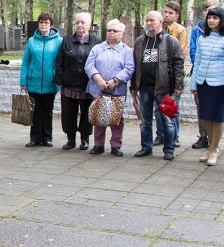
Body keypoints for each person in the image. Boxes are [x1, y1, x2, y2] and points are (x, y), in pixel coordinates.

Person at [130, 11, 184, 160]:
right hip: (145, 87)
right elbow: (135, 64)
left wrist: (178, 86)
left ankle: (169, 149)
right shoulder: (140, 41)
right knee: (145, 120)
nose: (148, 23)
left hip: (164, 88)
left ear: (160, 22)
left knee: (167, 121)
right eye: (147, 20)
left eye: (152, 20)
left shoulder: (170, 41)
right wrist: (134, 86)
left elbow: (178, 64)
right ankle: (146, 147)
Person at [190, 7, 224, 166]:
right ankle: (209, 147)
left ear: (222, 20)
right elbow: (198, 63)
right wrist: (194, 83)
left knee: (217, 117)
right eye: (209, 18)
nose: (211, 21)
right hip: (203, 83)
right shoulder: (203, 38)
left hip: (219, 83)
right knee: (206, 116)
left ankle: (215, 148)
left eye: (215, 18)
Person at [84, 19, 134, 156]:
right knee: (98, 115)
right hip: (99, 87)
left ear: (122, 34)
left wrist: (115, 80)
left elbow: (129, 68)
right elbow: (89, 65)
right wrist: (98, 78)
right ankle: (98, 145)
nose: (111, 33)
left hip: (117, 89)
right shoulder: (97, 48)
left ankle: (116, 145)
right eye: (109, 30)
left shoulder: (127, 51)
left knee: (116, 118)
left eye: (115, 31)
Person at [55, 12, 100, 150]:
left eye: (83, 22)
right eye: (77, 22)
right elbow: (59, 61)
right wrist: (60, 79)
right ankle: (70, 139)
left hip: (88, 84)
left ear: (89, 25)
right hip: (69, 83)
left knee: (87, 113)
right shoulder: (67, 40)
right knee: (68, 113)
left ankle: (85, 139)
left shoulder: (97, 42)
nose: (79, 25)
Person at [20, 12, 62, 147]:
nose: (43, 25)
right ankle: (35, 137)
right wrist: (23, 81)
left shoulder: (59, 41)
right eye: (41, 22)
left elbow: (61, 62)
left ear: (51, 25)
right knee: (35, 111)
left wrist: (59, 79)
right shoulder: (32, 41)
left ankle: (47, 137)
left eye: (46, 22)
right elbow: (26, 62)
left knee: (47, 111)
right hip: (34, 81)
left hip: (50, 82)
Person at [188, 0, 219, 149]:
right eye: (207, 10)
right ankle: (203, 136)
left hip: (216, 76)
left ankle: (214, 140)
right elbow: (194, 52)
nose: (209, 14)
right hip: (200, 73)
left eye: (213, 10)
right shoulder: (197, 30)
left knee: (215, 108)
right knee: (201, 106)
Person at [158, 1, 189, 148]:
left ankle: (174, 136)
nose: (167, 15)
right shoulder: (157, 27)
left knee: (171, 106)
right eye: (165, 12)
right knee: (158, 107)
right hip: (158, 71)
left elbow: (180, 53)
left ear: (176, 15)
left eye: (171, 13)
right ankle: (160, 134)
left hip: (172, 71)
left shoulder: (180, 30)